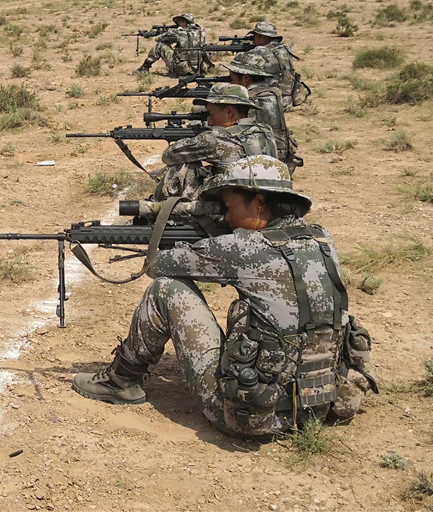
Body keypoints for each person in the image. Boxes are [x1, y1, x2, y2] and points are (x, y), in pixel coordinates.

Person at [72, 155, 377, 439]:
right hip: (324, 403)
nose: (226, 217)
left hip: (252, 414)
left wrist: (206, 239)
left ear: (259, 202)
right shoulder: (322, 239)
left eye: (229, 207)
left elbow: (158, 266)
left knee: (165, 289)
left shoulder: (243, 248)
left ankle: (122, 381)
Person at [152, 83, 276, 200]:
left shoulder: (217, 137)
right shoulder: (266, 132)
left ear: (229, 112)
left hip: (228, 211)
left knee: (184, 165)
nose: (210, 122)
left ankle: (165, 214)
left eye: (211, 114)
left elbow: (169, 155)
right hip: (265, 206)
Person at [221, 51, 303, 174]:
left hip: (261, 164)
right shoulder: (272, 92)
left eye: (232, 79)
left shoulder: (252, 98)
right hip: (278, 158)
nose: (230, 83)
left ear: (246, 78)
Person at [244, 21, 309, 110]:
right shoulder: (285, 49)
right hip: (287, 100)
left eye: (254, 37)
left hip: (271, 102)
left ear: (262, 38)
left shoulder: (260, 52)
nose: (253, 40)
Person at [133, 13, 208, 77]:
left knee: (161, 45)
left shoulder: (178, 32)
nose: (178, 24)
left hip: (183, 70)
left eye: (180, 22)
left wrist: (164, 33)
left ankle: (144, 68)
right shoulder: (201, 31)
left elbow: (158, 38)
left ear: (185, 22)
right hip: (199, 69)